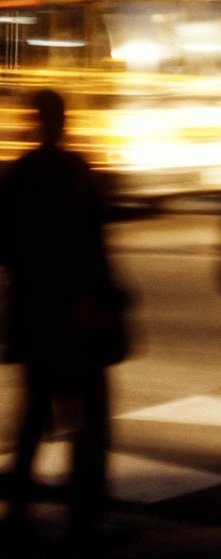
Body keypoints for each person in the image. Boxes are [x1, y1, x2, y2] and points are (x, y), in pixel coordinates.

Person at [0, 89, 128, 550]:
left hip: (38, 316)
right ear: (63, 121)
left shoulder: (19, 175)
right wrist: (109, 300)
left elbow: (7, 247)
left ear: (34, 122)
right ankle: (84, 518)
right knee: (88, 422)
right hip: (78, 317)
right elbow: (94, 247)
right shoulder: (77, 172)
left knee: (35, 415)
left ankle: (18, 510)